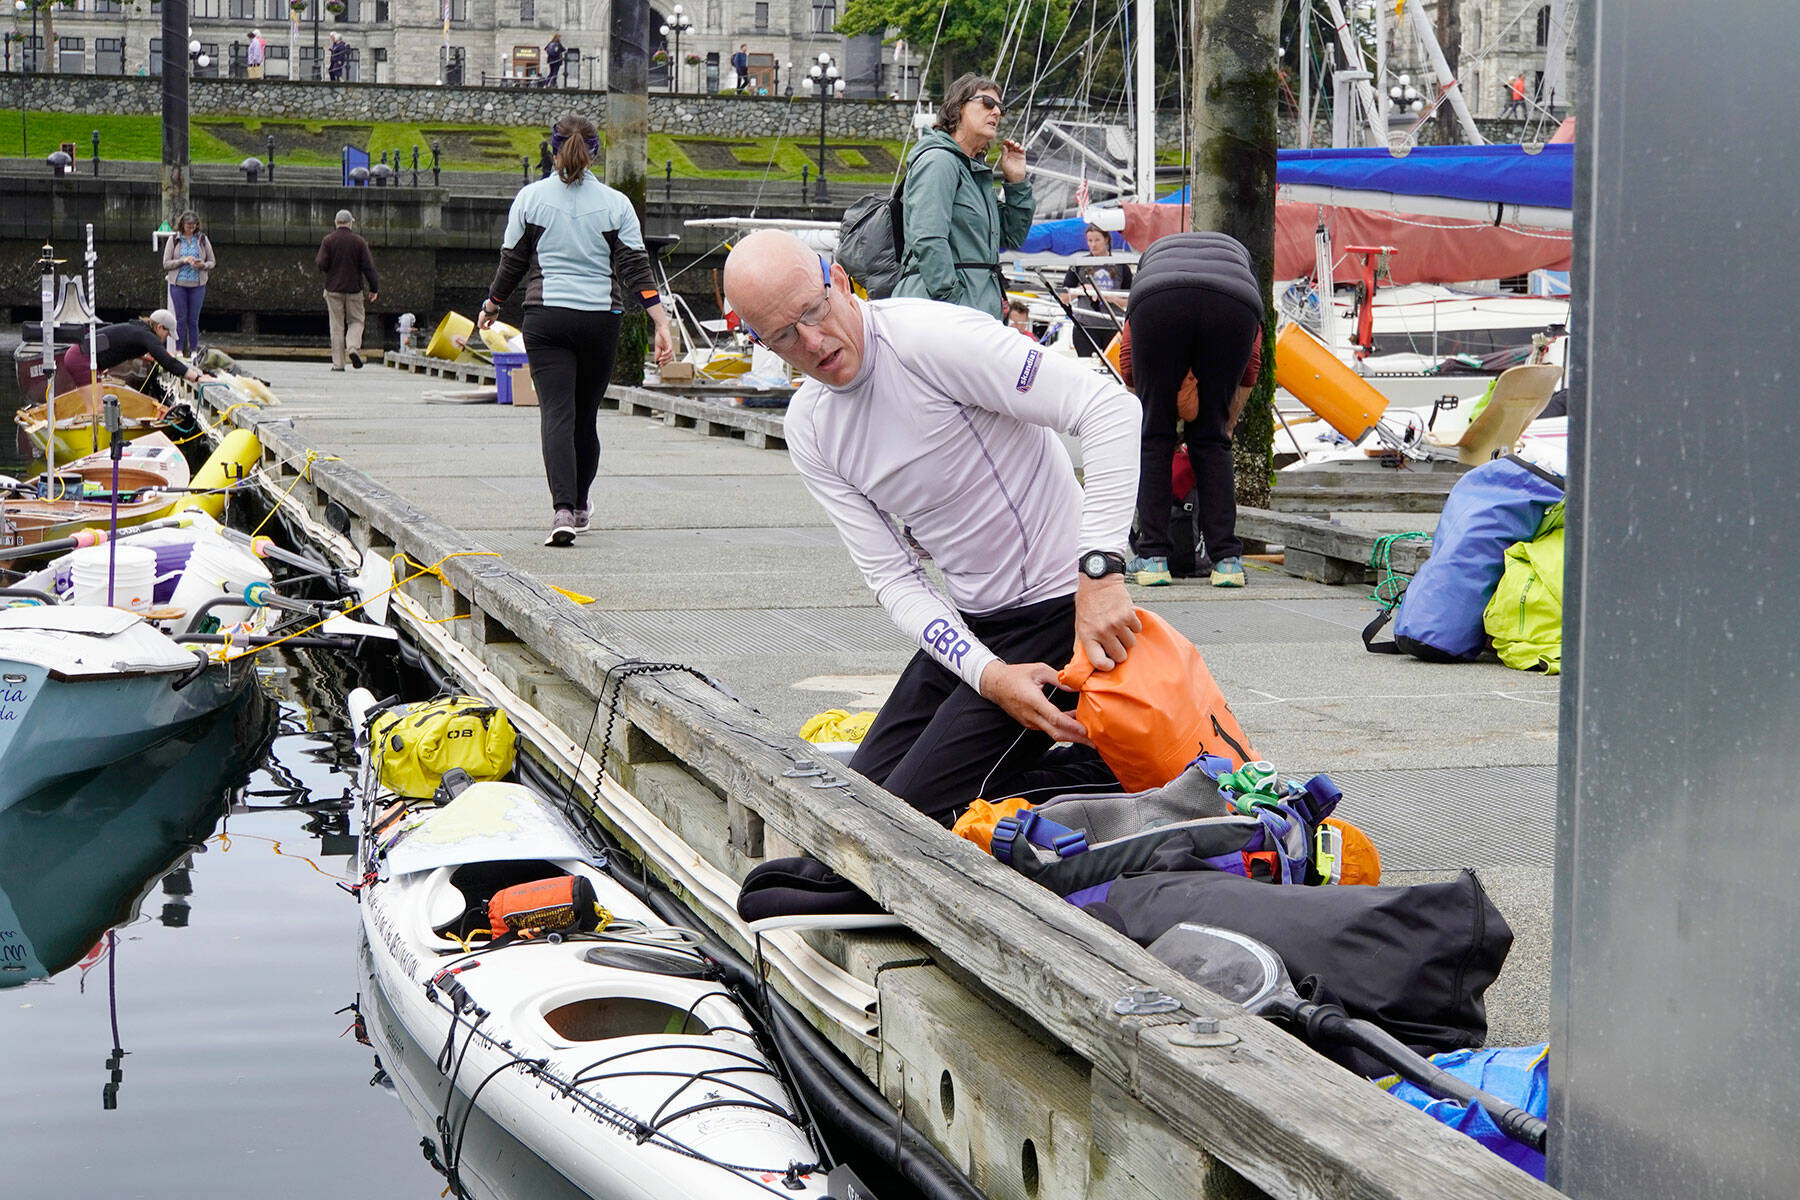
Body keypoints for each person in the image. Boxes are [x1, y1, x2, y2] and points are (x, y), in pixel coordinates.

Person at [723, 229, 1142, 821]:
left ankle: (1131, 773)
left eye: (814, 312)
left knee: (907, 831)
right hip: (977, 628)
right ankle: (1091, 764)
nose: (813, 342)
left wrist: (1100, 574)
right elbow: (894, 578)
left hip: (1059, 613)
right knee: (847, 820)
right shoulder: (810, 426)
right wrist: (986, 673)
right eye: (784, 336)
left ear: (839, 281)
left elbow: (1109, 408)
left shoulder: (930, 340)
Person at [478, 112, 674, 547]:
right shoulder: (616, 204)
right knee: (585, 417)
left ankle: (562, 510)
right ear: (595, 152)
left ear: (551, 149)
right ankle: (582, 504)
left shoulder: (530, 199)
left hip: (546, 319)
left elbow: (512, 264)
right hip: (599, 320)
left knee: (557, 414)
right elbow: (635, 269)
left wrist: (491, 305)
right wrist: (660, 321)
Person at [1121, 232, 1264, 589]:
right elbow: (1251, 365)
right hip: (1234, 305)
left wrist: (1155, 412)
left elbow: (1128, 364)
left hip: (1157, 301)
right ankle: (1227, 562)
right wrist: (1225, 424)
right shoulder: (1240, 267)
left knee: (1154, 438)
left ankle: (1153, 559)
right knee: (1212, 441)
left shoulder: (1152, 265)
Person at [892, 74, 1033, 320]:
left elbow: (1012, 236)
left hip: (974, 313)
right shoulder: (939, 161)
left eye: (1000, 107)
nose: (997, 113)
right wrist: (953, 301)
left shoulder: (973, 172)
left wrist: (1016, 182)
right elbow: (928, 237)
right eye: (987, 104)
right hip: (941, 315)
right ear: (958, 108)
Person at [58, 311, 211, 390]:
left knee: (94, 404)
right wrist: (197, 377)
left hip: (79, 354)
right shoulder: (146, 335)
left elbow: (123, 347)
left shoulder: (138, 329)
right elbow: (167, 362)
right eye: (167, 333)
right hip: (81, 358)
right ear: (159, 327)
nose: (166, 338)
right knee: (97, 408)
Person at [316, 209, 379, 371]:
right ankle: (352, 347)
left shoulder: (328, 240)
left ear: (336, 223)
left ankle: (338, 364)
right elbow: (369, 267)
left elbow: (321, 263)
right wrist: (374, 288)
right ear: (350, 223)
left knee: (336, 326)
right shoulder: (359, 242)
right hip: (354, 289)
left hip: (333, 289)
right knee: (357, 321)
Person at [1060, 224, 1131, 358]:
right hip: (1085, 327)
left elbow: (1130, 300)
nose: (1093, 245)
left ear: (1106, 240)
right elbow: (1063, 297)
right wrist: (1083, 290)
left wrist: (1109, 298)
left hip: (1112, 327)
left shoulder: (1121, 266)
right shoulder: (1078, 265)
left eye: (1097, 240)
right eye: (1090, 241)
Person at [160, 209, 214, 357]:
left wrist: (202, 265)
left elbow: (212, 261)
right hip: (178, 285)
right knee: (180, 318)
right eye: (188, 226)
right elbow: (166, 263)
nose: (191, 228)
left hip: (197, 285)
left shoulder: (202, 239)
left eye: (194, 226)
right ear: (182, 225)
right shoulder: (174, 240)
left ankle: (194, 351)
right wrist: (182, 261)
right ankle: (178, 350)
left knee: (193, 319)